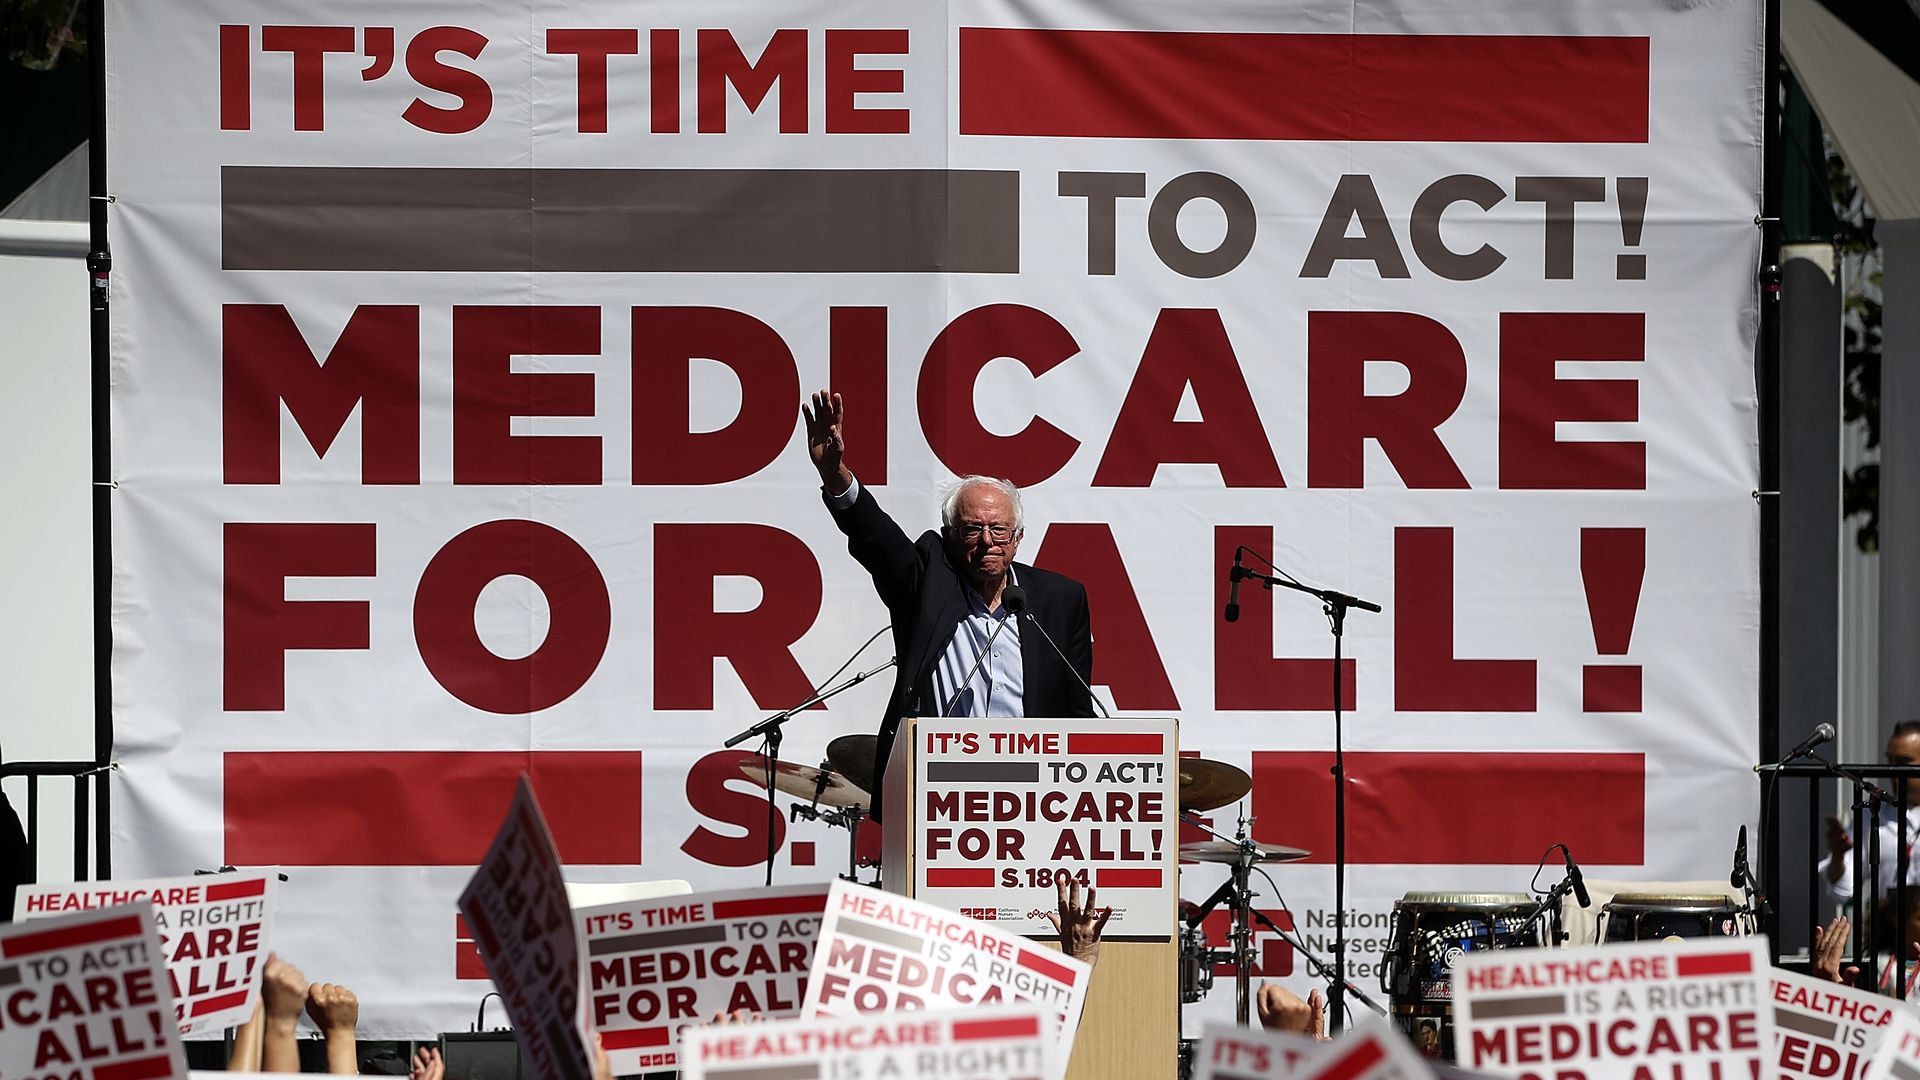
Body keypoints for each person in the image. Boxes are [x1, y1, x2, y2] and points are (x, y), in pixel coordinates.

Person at [802, 390, 1095, 820]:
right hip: (937, 791)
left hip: (1035, 799)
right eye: (972, 528)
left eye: (999, 529)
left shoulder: (1060, 599)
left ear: (1019, 538)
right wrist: (835, 474)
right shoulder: (927, 581)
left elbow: (1077, 714)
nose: (987, 541)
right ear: (951, 535)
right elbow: (876, 538)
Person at [1819, 722, 1920, 904]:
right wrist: (1838, 857)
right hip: (1890, 930)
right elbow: (1843, 889)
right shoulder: (1873, 815)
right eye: (1890, 760)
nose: (1894, 770)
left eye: (1903, 762)